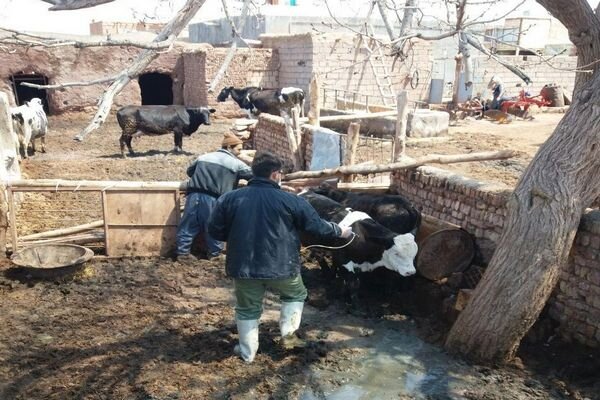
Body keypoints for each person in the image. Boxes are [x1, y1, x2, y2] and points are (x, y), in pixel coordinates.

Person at [207, 151, 353, 363]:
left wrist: (235, 236)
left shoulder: (229, 199)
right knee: (295, 295)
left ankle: (248, 353)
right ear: (275, 174)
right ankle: (289, 338)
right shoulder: (290, 200)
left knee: (248, 308)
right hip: (283, 266)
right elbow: (317, 226)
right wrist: (340, 231)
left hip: (244, 267)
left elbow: (215, 231)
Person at [175, 132, 252, 262]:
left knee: (188, 223)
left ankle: (182, 253)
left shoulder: (203, 157)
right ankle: (215, 254)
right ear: (229, 148)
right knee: (213, 225)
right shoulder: (236, 164)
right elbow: (253, 175)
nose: (240, 153)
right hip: (214, 198)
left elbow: (190, 171)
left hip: (193, 195)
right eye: (238, 149)